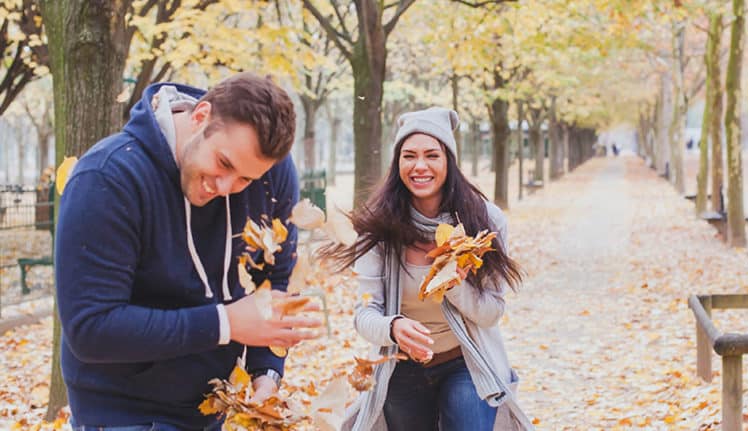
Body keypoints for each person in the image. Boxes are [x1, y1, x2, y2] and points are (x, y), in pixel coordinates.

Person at [55, 72, 321, 430]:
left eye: (245, 179)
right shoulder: (107, 178)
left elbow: (273, 283)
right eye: (224, 164)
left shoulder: (270, 174)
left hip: (209, 409)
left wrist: (266, 376)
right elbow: (91, 329)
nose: (227, 187)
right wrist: (226, 323)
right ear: (200, 116)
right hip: (123, 414)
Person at [329, 107, 534, 431]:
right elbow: (364, 314)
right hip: (401, 368)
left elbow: (492, 313)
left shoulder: (485, 222)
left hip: (466, 362)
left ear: (448, 161)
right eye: (409, 156)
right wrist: (393, 327)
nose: (420, 166)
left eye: (431, 155)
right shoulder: (379, 228)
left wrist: (452, 284)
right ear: (397, 164)